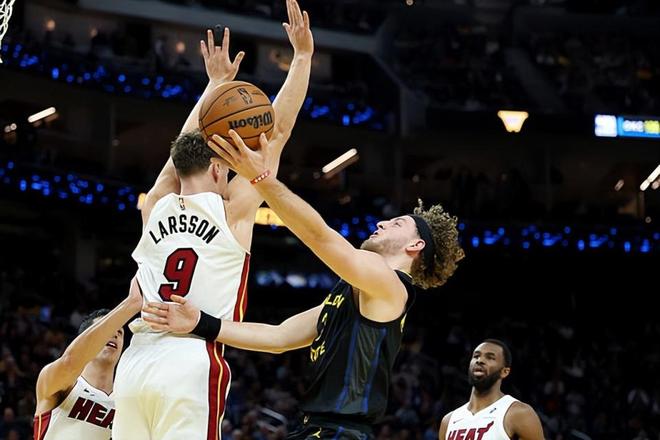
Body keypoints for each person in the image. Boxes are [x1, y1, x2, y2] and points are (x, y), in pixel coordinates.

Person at [142, 129, 465, 439]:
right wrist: (200, 322)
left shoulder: (391, 286)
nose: (382, 222)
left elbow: (319, 237)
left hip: (342, 432)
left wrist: (260, 178)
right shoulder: (355, 293)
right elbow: (279, 337)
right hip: (317, 428)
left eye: (397, 223)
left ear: (416, 245)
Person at [112, 1, 314, 439]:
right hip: (190, 359)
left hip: (133, 364)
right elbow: (277, 133)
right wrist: (301, 58)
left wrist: (215, 85)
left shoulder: (154, 205)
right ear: (220, 169)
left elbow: (179, 153)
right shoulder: (231, 210)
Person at [33, 278, 141, 440]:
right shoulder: (60, 382)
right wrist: (131, 304)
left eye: (120, 332)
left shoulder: (127, 400)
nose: (114, 333)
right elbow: (69, 362)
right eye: (107, 330)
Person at [438, 339, 545, 440]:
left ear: (504, 372)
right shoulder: (448, 421)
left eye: (490, 357)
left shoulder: (518, 413)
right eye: (476, 356)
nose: (480, 360)